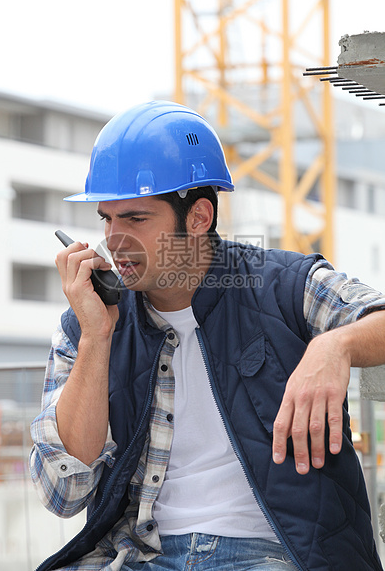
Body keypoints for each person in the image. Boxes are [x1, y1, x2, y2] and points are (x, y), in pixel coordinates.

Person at [30, 101, 385, 571]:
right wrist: (98, 338)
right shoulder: (87, 322)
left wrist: (334, 345)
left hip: (274, 553)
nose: (114, 241)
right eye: (106, 219)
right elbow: (63, 494)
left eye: (135, 219)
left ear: (198, 217)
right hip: (142, 556)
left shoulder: (283, 284)